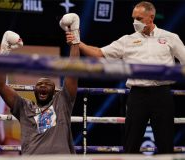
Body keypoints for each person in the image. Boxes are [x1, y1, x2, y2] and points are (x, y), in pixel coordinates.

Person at [65, 1, 185, 154]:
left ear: (151, 17)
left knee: (165, 145)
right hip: (137, 95)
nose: (135, 22)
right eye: (134, 18)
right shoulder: (127, 40)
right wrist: (77, 42)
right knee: (131, 143)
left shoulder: (170, 37)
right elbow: (99, 53)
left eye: (139, 18)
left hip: (162, 94)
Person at [0, 13, 80, 155]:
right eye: (39, 84)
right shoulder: (24, 108)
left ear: (55, 90)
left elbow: (74, 72)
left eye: (47, 84)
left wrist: (75, 38)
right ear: (34, 90)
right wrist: (4, 52)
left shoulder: (62, 102)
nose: (43, 86)